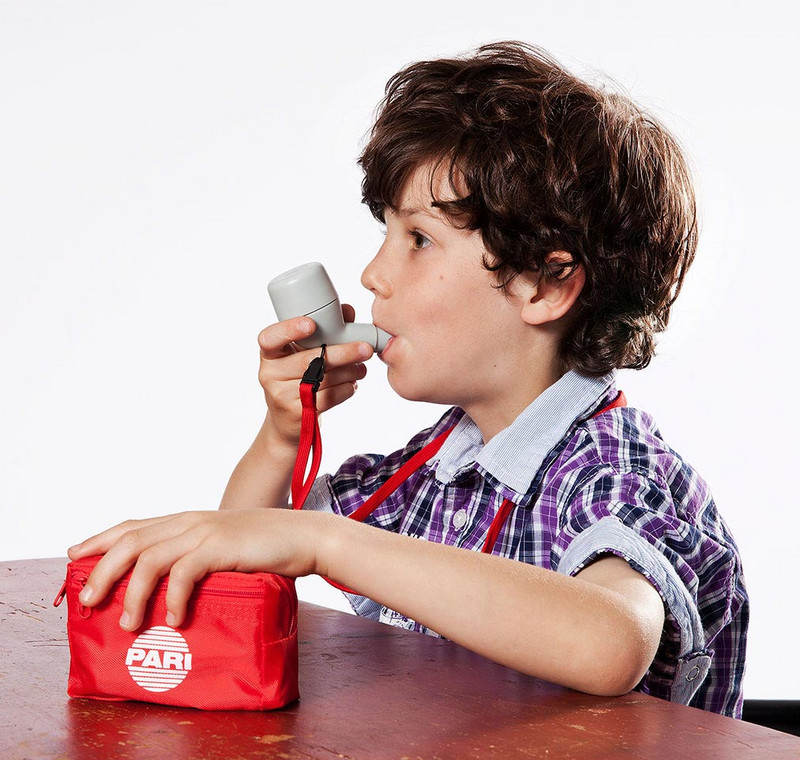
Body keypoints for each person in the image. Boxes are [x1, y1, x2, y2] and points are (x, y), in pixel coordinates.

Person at [68, 41, 748, 718]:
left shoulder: (615, 473)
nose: (373, 275)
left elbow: (610, 641)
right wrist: (283, 436)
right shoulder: (433, 474)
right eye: (385, 232)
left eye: (418, 240)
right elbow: (244, 563)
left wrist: (323, 541)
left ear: (546, 282)